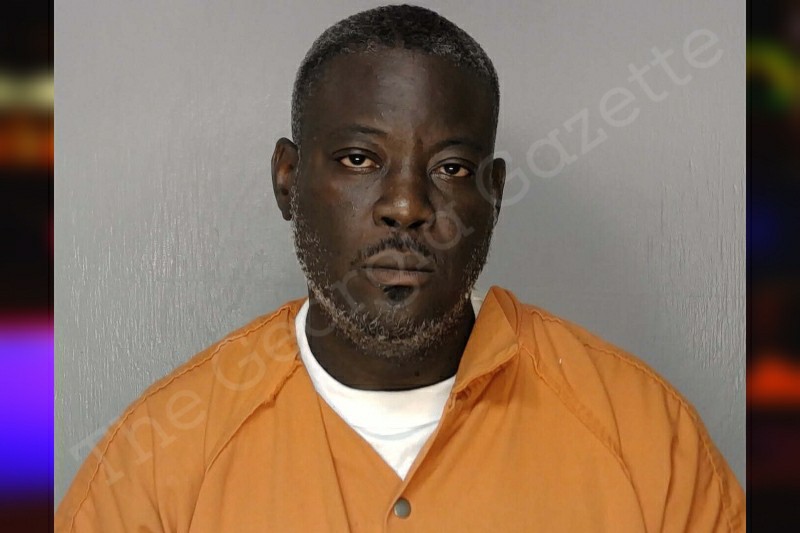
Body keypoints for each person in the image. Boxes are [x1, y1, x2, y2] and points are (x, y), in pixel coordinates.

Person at [56, 5, 745, 532]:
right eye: (360, 159)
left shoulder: (647, 439)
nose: (407, 206)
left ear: (494, 194)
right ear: (288, 180)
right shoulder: (157, 461)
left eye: (451, 168)